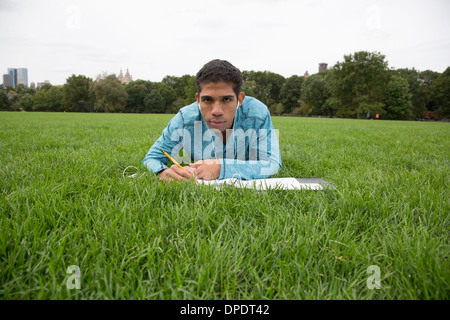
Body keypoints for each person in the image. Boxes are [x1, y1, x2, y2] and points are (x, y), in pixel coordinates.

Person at [142, 59, 282, 182]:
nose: (216, 111)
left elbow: (271, 164)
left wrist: (222, 168)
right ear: (198, 100)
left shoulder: (257, 113)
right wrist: (162, 172)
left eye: (226, 99)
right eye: (207, 100)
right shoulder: (185, 118)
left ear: (239, 100)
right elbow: (152, 158)